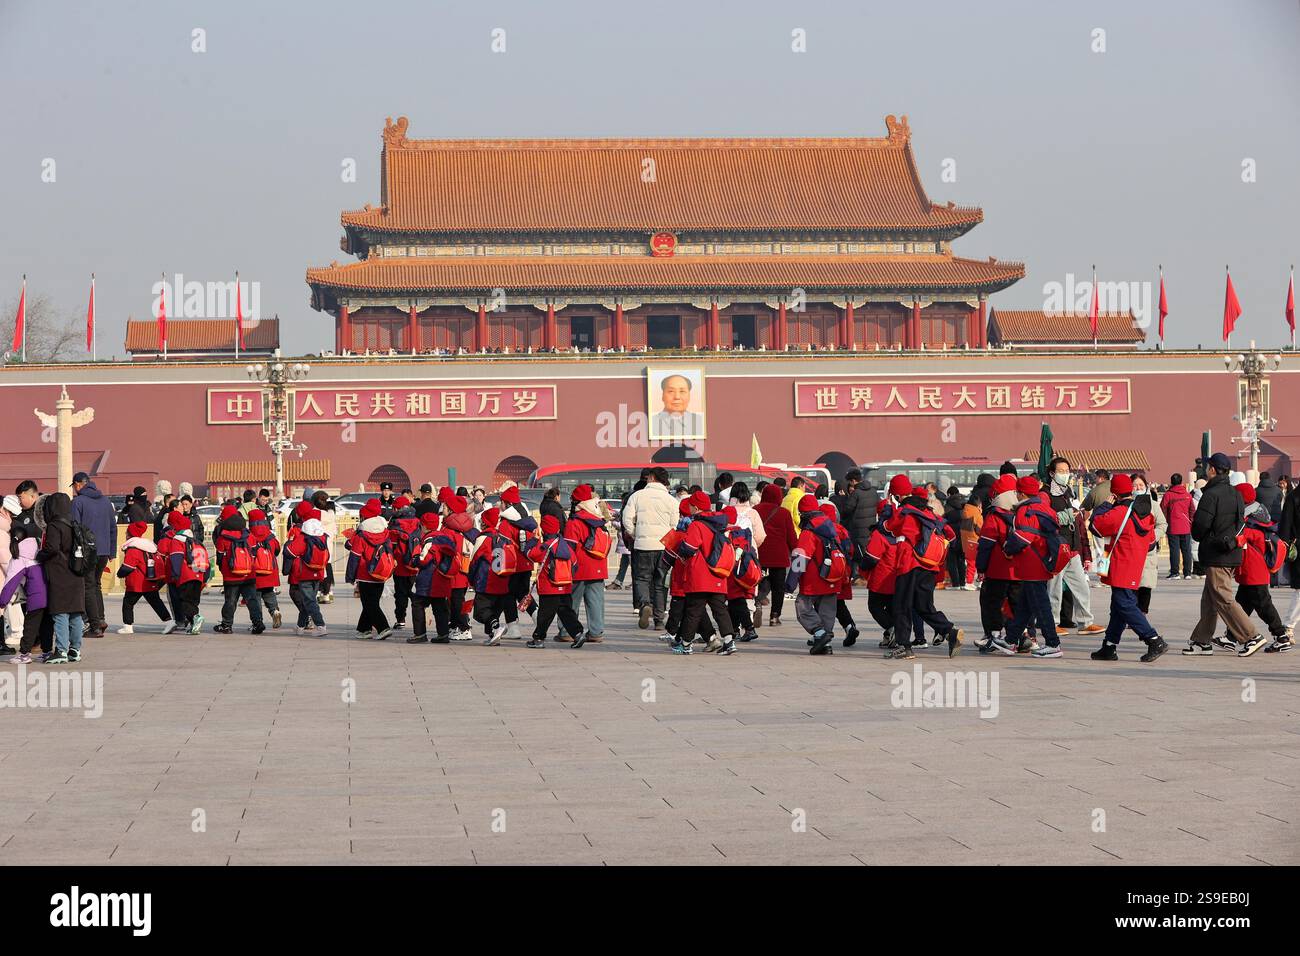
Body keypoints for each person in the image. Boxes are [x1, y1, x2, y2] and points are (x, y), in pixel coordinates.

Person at [1183, 452, 1266, 657]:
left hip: (1215, 552)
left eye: (1207, 467)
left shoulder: (1210, 495)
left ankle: (1251, 636)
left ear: (1212, 469)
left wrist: (1199, 533)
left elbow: (1200, 527)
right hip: (1231, 551)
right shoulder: (1236, 493)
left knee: (1223, 597)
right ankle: (1202, 641)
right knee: (1210, 598)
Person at [1088, 473, 1167, 662]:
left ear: (1114, 492)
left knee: (1124, 604)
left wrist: (1106, 505)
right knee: (1118, 607)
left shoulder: (1119, 512)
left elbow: (1095, 526)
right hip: (1135, 561)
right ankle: (1109, 646)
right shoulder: (1143, 510)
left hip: (1121, 562)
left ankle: (1153, 639)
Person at [884, 475, 962, 658]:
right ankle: (950, 631)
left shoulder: (904, 511)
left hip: (909, 564)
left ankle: (905, 646)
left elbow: (889, 528)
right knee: (924, 606)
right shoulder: (927, 510)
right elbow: (949, 533)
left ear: (895, 494)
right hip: (929, 565)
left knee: (901, 605)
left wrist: (889, 507)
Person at [997, 476, 1065, 658]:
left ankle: (1053, 644)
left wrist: (1008, 548)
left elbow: (1023, 537)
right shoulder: (1045, 508)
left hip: (1032, 563)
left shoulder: (1026, 510)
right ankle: (1011, 640)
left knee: (1041, 606)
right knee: (1025, 606)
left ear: (1020, 493)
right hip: (1043, 561)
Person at [1220, 483, 1291, 653]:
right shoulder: (1256, 514)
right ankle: (1230, 637)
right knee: (1243, 605)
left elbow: (1248, 537)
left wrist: (1234, 541)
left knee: (1264, 606)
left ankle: (1281, 636)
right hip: (1249, 571)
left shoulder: (1250, 520)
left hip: (1254, 571)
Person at [669, 491, 737, 656]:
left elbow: (690, 547)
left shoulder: (697, 525)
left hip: (700, 576)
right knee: (720, 610)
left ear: (696, 507)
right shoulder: (719, 524)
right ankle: (729, 642)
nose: (690, 508)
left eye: (691, 505)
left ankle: (686, 644)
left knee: (694, 611)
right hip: (718, 574)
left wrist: (680, 545)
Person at [1043, 458, 1104, 635]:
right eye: (1060, 471)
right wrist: (1068, 514)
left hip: (1072, 547)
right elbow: (1047, 518)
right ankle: (1051, 623)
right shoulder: (1045, 494)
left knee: (1082, 586)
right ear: (1052, 474)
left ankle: (1085, 622)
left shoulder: (1068, 491)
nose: (1065, 474)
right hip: (1056, 547)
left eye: (1067, 470)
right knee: (1054, 589)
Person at [621, 467, 677, 630]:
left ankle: (645, 604)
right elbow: (674, 525)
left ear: (651, 477)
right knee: (660, 583)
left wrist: (635, 534)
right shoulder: (671, 500)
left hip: (642, 545)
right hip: (663, 547)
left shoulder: (637, 496)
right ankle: (659, 620)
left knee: (641, 579)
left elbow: (626, 520)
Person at [36, 492, 87, 664]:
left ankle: (61, 650)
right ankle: (75, 649)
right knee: (76, 614)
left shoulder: (54, 525)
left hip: (60, 573)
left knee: (60, 613)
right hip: (76, 572)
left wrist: (39, 555)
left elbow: (52, 548)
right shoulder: (74, 523)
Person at [525, 515, 586, 648]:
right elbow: (575, 564)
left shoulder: (545, 547)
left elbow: (530, 554)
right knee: (566, 612)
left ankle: (538, 639)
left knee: (544, 615)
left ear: (544, 530)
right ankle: (577, 634)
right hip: (565, 587)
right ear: (558, 528)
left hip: (549, 588)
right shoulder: (565, 546)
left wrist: (534, 540)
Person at [975, 474, 1020, 652]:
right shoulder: (1021, 514)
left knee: (991, 603)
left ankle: (994, 636)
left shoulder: (994, 517)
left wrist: (981, 567)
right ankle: (1019, 636)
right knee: (1017, 603)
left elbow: (985, 545)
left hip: (997, 570)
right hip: (1018, 570)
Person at [70, 471, 115, 639]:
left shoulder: (78, 502)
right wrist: (111, 551)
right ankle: (100, 619)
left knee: (87, 586)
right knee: (96, 584)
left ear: (79, 484)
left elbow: (74, 527)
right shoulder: (105, 501)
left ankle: (94, 625)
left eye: (74, 486)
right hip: (103, 551)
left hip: (87, 551)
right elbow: (113, 527)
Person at [566, 486, 610, 645]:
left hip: (579, 568)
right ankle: (596, 632)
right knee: (596, 602)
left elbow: (569, 547)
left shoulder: (575, 521)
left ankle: (567, 632)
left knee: (571, 602)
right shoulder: (599, 520)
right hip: (599, 566)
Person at [347, 499, 394, 640]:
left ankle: (383, 627)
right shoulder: (385, 532)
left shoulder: (361, 535)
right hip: (380, 572)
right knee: (371, 603)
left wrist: (350, 576)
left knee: (369, 604)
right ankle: (364, 629)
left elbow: (354, 557)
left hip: (365, 574)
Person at [115, 520, 173, 634]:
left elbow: (127, 567)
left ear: (129, 534)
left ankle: (128, 626)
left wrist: (119, 574)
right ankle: (169, 621)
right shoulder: (149, 547)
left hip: (136, 583)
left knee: (128, 603)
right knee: (156, 602)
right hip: (150, 581)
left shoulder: (133, 549)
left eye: (127, 532)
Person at [214, 509, 265, 635]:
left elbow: (219, 557)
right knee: (251, 600)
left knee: (230, 601)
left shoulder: (223, 537)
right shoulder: (249, 535)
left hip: (231, 576)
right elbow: (254, 552)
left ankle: (226, 625)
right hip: (249, 574)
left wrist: (223, 569)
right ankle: (257, 623)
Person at [754, 482, 797, 627]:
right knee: (778, 588)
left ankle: (757, 602)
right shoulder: (783, 513)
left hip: (759, 555)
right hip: (779, 556)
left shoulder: (755, 510)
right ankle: (774, 616)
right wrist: (795, 550)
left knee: (759, 583)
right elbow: (791, 537)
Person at [283, 502, 329, 636]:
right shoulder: (322, 537)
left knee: (309, 601)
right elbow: (328, 555)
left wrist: (288, 544)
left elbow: (290, 552)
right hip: (318, 572)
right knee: (308, 601)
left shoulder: (303, 537)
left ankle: (321, 626)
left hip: (305, 574)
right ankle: (300, 626)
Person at [498, 485, 538, 639]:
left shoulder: (506, 523)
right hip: (527, 563)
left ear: (507, 503)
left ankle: (513, 628)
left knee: (507, 594)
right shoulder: (529, 520)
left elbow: (500, 546)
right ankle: (537, 616)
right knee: (523, 594)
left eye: (502, 502)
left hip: (511, 566)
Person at [157, 513, 207, 634]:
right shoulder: (195, 541)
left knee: (184, 602)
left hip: (185, 576)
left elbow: (176, 558)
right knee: (192, 601)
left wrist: (175, 574)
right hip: (198, 575)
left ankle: (196, 617)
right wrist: (204, 578)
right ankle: (194, 625)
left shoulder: (177, 540)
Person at [1, 536, 47, 663]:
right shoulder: (39, 555)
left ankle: (24, 654)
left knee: (30, 626)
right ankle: (47, 652)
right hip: (50, 595)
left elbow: (11, 582)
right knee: (46, 625)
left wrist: (2, 601)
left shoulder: (19, 559)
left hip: (35, 596)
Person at [1132, 474, 1166, 615]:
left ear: (1146, 486)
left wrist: (1153, 537)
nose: (1138, 488)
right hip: (1131, 550)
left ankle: (1141, 613)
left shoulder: (1153, 504)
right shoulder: (1126, 504)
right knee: (1131, 585)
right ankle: (1132, 614)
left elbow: (1162, 524)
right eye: (1135, 485)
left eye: (1141, 485)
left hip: (1148, 551)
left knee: (1146, 584)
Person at [386, 496, 419, 630]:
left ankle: (401, 619)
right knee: (415, 595)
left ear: (398, 508)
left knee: (400, 594)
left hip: (399, 564)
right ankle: (418, 621)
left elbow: (391, 545)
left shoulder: (395, 524)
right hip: (415, 563)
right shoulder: (418, 522)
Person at [837, 468, 880, 570]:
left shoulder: (856, 494)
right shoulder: (874, 492)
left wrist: (843, 499)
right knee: (868, 553)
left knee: (857, 556)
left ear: (853, 481)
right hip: (871, 529)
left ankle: (857, 576)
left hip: (858, 531)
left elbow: (846, 510)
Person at [248, 509, 283, 629]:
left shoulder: (249, 536)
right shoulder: (270, 536)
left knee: (256, 596)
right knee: (269, 593)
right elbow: (277, 549)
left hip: (255, 572)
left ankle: (258, 621)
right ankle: (275, 611)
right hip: (270, 570)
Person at [1161, 473, 1196, 579]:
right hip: (1185, 526)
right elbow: (1192, 510)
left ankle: (1175, 572)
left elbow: (1163, 509)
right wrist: (1190, 521)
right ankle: (1187, 573)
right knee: (1186, 550)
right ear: (1181, 482)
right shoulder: (1187, 494)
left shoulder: (1168, 495)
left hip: (1173, 526)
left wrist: (1166, 521)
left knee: (1174, 550)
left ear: (1171, 482)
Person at [651, 373, 705, 438]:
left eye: (682, 391)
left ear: (689, 396)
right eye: (671, 391)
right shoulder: (651, 423)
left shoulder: (700, 422)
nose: (677, 397)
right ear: (662, 395)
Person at [942, 485, 968, 589]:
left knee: (952, 560)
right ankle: (962, 583)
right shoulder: (965, 503)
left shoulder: (947, 505)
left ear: (949, 494)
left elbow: (944, 520)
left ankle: (955, 584)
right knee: (961, 560)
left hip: (952, 535)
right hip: (963, 534)